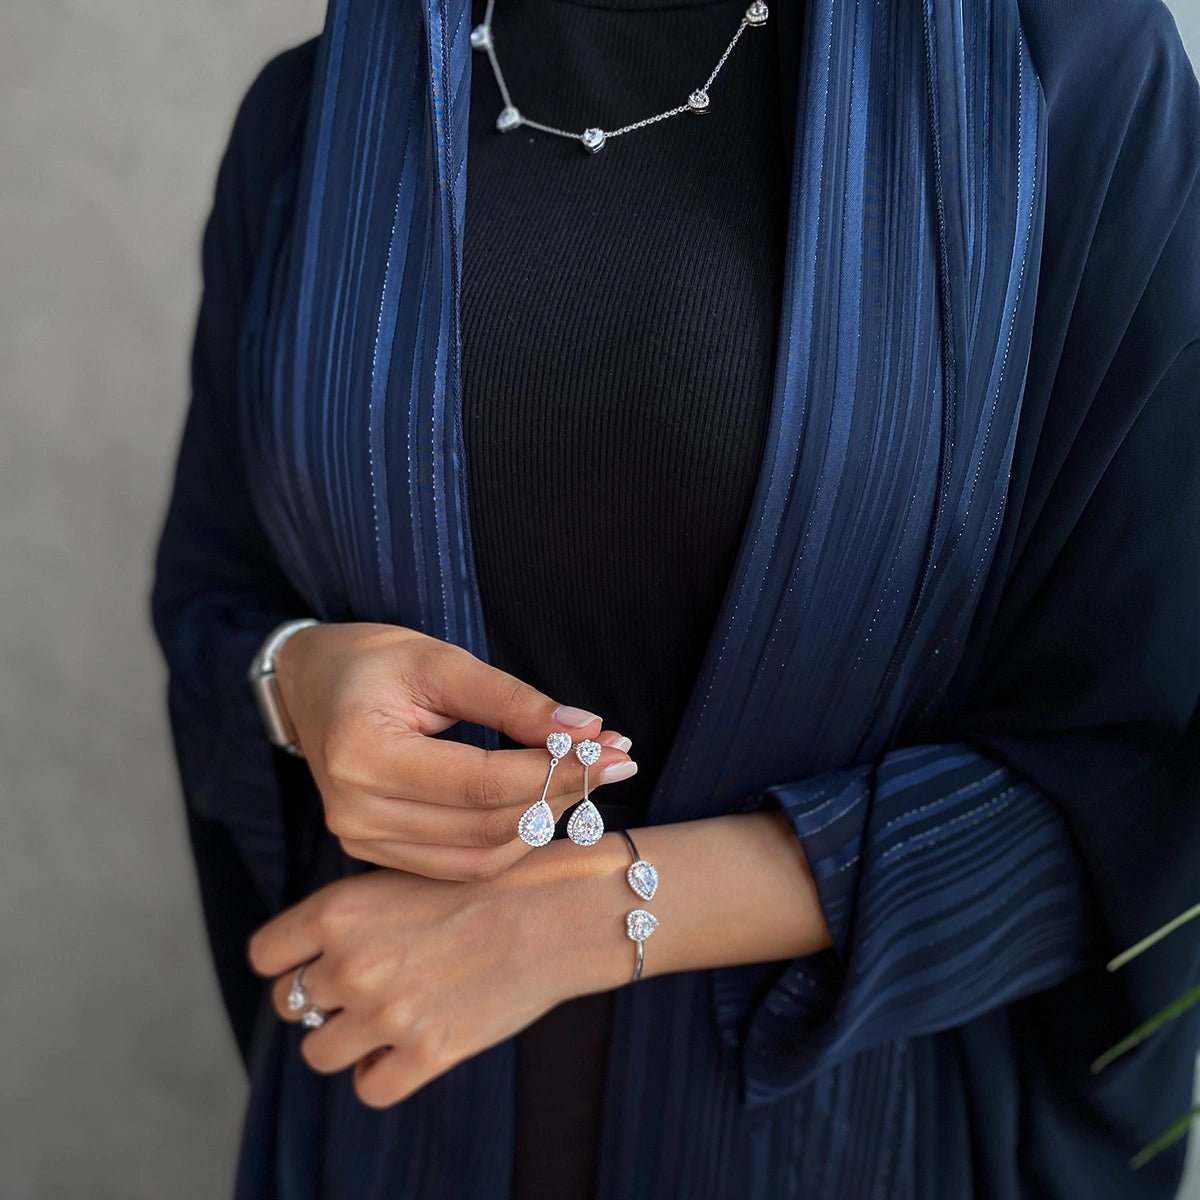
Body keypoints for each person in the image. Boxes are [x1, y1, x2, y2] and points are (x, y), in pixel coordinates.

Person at [150, 0, 1200, 1195]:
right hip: (379, 1122)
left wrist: (585, 920)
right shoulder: (314, 117)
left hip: (838, 1141)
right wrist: (295, 682)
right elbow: (216, 601)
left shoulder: (1047, 74)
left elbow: (1144, 765)